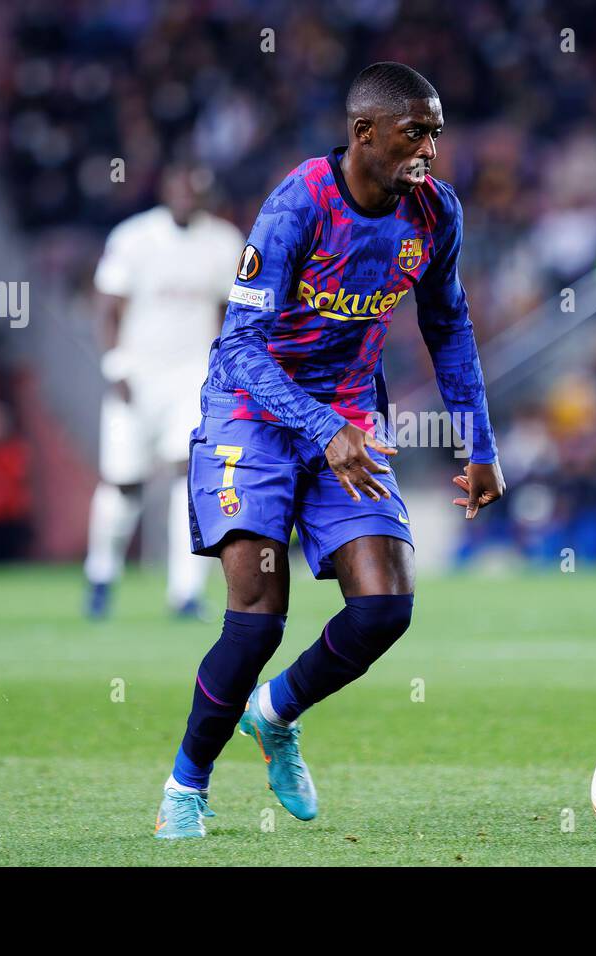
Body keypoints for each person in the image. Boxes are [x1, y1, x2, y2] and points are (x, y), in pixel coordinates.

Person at [154, 62, 506, 838]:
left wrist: (477, 441)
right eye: (417, 132)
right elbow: (240, 346)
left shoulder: (435, 213)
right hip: (253, 414)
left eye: (438, 133)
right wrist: (322, 427)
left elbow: (447, 327)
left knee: (386, 607)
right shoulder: (297, 206)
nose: (431, 150)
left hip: (346, 416)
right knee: (256, 621)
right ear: (364, 133)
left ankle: (276, 713)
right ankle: (186, 787)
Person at [84, 160, 245, 619]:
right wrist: (116, 366)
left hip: (191, 378)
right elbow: (107, 307)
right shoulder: (133, 238)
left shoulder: (223, 241)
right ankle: (101, 574)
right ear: (165, 188)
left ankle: (186, 592)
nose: (187, 196)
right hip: (137, 375)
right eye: (180, 187)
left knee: (189, 479)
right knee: (123, 485)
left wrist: (224, 371)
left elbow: (228, 313)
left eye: (196, 189)